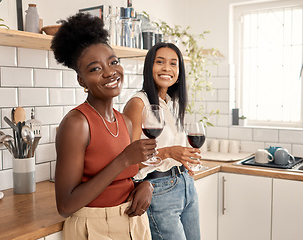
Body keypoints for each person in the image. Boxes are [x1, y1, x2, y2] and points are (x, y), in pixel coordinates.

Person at [51, 13, 156, 240]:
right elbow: (66, 205)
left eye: (113, 62)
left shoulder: (125, 121)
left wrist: (146, 186)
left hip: (133, 223)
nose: (109, 72)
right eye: (95, 68)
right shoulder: (77, 123)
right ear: (81, 81)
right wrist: (124, 160)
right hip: (95, 227)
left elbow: (125, 178)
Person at [123, 42, 201, 240]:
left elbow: (175, 148)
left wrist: (184, 160)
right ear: (149, 67)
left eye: (173, 64)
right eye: (160, 62)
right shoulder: (138, 103)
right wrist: (167, 153)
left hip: (185, 185)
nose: (167, 68)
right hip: (159, 191)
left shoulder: (171, 104)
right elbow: (127, 163)